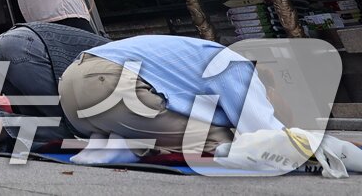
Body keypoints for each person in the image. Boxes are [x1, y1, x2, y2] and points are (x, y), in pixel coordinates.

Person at [58, 35, 282, 156]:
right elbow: (263, 131)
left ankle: (115, 143)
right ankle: (128, 147)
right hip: (110, 85)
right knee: (223, 141)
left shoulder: (203, 53)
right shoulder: (238, 66)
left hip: (71, 93)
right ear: (265, 88)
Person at [0, 21, 106, 141]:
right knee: (68, 121)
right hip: (23, 45)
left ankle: (0, 127)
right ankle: (2, 127)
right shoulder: (120, 58)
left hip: (3, 44)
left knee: (37, 119)